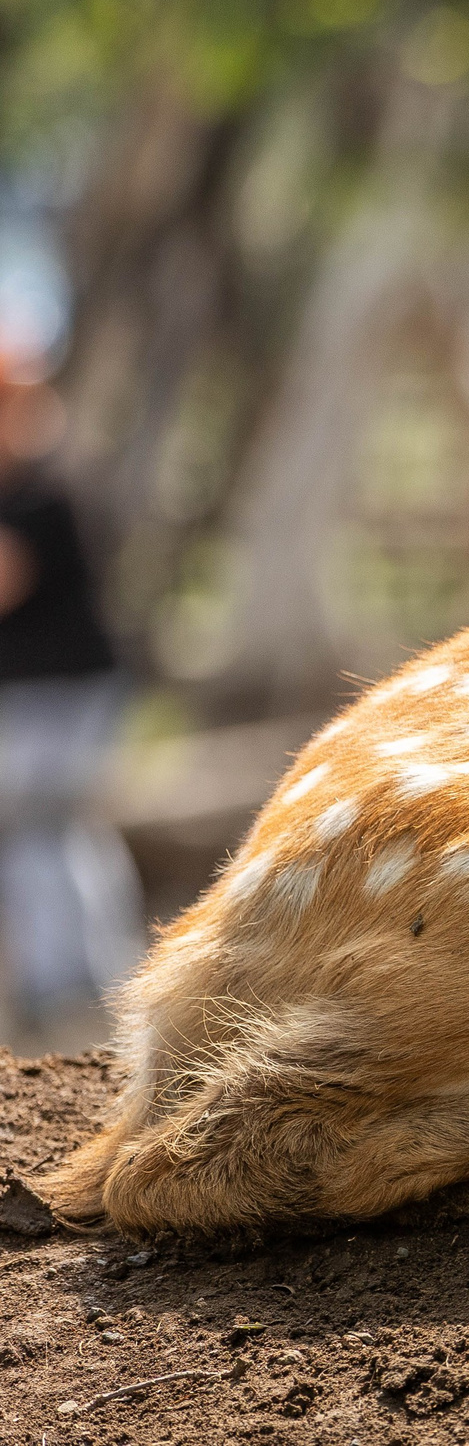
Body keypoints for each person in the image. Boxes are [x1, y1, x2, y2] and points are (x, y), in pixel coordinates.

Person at [0, 352, 140, 1046]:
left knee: (43, 827)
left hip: (64, 690)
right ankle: (85, 977)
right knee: (57, 830)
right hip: (35, 692)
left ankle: (72, 984)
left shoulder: (42, 491)